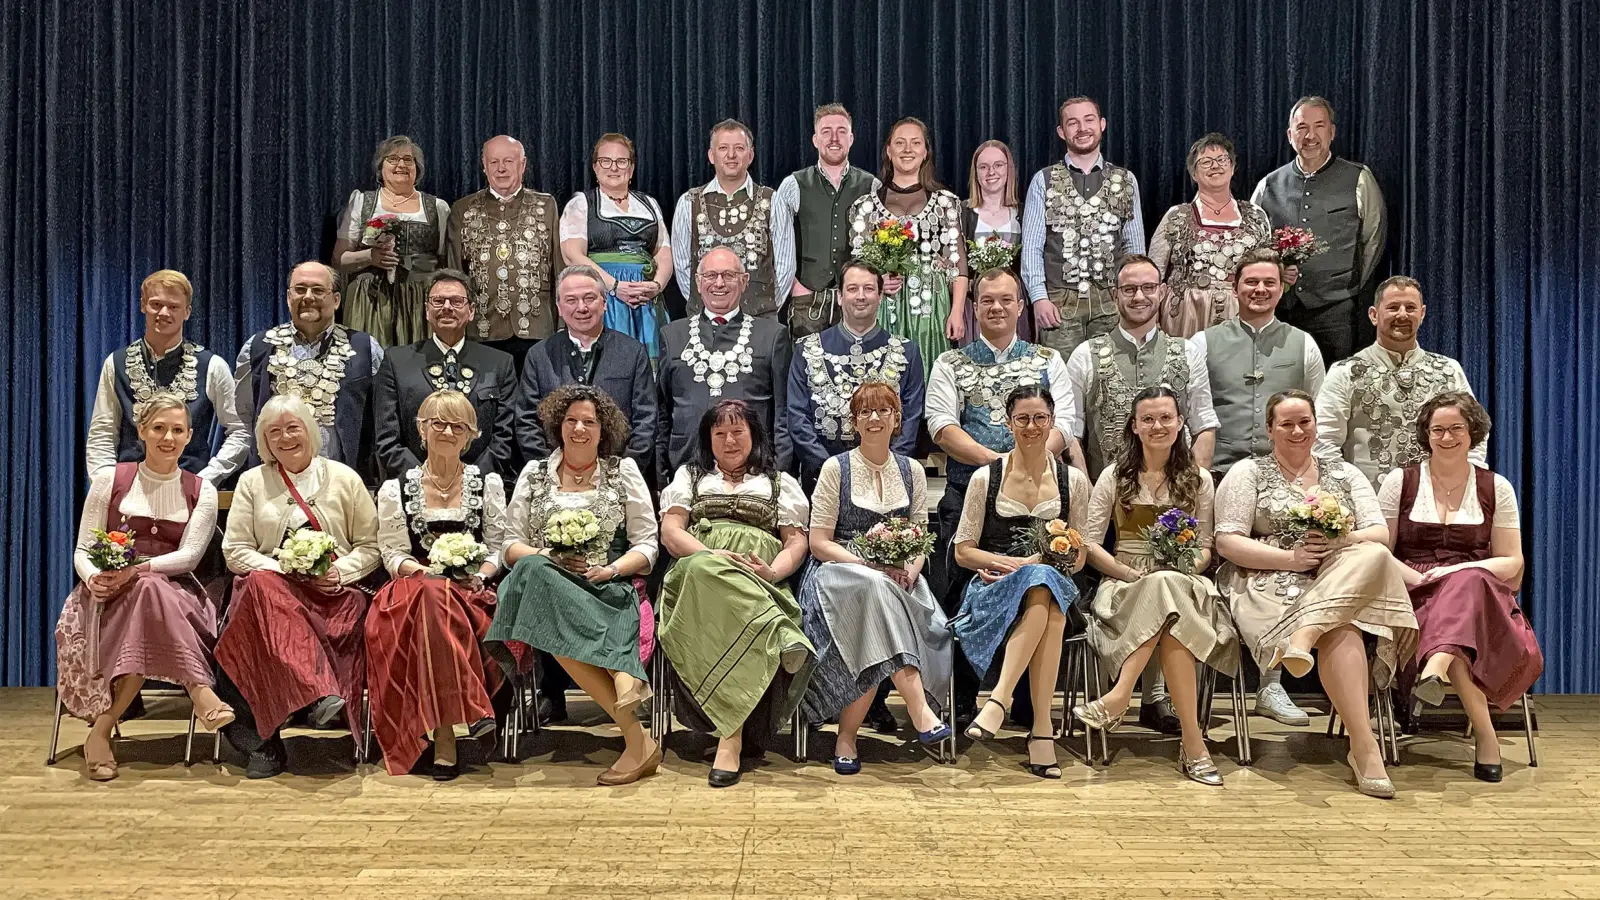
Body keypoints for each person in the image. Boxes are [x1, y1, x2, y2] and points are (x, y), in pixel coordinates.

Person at [1213, 390, 1417, 798]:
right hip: (1267, 576)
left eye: (1304, 421)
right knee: (1342, 626)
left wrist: (1339, 542)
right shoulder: (1247, 473)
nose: (1297, 430)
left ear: (1316, 425)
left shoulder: (1344, 474)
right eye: (1286, 423)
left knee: (1372, 555)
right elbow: (1227, 542)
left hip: (1337, 571)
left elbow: (1379, 533)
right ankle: (1365, 747)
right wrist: (1291, 558)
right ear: (1269, 429)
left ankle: (1362, 744)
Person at [485, 386, 661, 786]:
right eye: (571, 420)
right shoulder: (534, 474)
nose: (579, 428)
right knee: (532, 571)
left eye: (589, 422)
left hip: (604, 586)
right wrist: (547, 554)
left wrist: (612, 569)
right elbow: (510, 545)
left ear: (604, 430)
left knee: (545, 609)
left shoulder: (623, 472)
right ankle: (629, 701)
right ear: (557, 425)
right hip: (549, 586)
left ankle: (639, 737)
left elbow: (647, 545)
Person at [925, 268, 1076, 725]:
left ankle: (1028, 705)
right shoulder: (951, 363)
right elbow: (941, 426)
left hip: (1040, 500)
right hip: (968, 495)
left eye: (1006, 300)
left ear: (1020, 306)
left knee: (1038, 591)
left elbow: (1066, 423)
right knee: (960, 596)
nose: (996, 308)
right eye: (987, 300)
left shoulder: (1049, 358)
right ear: (974, 307)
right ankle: (966, 700)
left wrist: (1024, 463)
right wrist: (999, 467)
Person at [56, 395, 231, 781]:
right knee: (144, 601)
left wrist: (137, 570)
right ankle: (199, 688)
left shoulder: (200, 490)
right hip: (108, 597)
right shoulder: (110, 480)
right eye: (159, 428)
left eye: (178, 430)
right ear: (141, 432)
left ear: (189, 437)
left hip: (178, 595)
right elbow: (84, 549)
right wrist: (93, 579)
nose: (168, 437)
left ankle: (101, 733)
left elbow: (188, 558)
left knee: (149, 590)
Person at [1073, 387, 1238, 785]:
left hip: (1184, 582)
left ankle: (1120, 695)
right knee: (1169, 611)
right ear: (1134, 426)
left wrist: (1179, 566)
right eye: (1147, 419)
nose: (1157, 426)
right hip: (1125, 583)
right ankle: (1194, 746)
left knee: (1169, 589)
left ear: (1181, 423)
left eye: (1166, 417)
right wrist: (1130, 574)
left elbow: (1205, 548)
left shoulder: (1198, 480)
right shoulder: (1115, 476)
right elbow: (1091, 541)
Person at [216, 395, 382, 779]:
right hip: (270, 595)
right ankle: (274, 733)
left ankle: (312, 696)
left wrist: (339, 573)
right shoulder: (252, 482)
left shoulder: (345, 478)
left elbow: (372, 548)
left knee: (264, 600)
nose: (285, 437)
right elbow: (235, 550)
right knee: (259, 589)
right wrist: (282, 569)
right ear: (264, 441)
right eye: (274, 432)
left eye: (293, 427)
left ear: (310, 431)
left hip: (333, 595)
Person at [1380, 393, 1541, 783]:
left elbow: (1512, 562)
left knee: (1466, 583)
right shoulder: (1400, 480)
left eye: (1456, 428)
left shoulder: (1495, 486)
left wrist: (1462, 568)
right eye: (1438, 429)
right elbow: (1378, 552)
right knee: (1456, 641)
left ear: (1473, 434)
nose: (1447, 437)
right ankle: (1486, 737)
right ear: (1426, 434)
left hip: (1479, 595)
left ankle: (1435, 667)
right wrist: (1418, 577)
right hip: (1413, 591)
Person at [1195, 252, 1326, 727]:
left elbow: (1318, 416)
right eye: (1251, 282)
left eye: (1269, 283)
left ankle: (1272, 685)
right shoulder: (1204, 342)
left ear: (1281, 288)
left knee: (1282, 575)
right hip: (1220, 473)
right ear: (1235, 286)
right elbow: (1196, 409)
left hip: (1286, 477)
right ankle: (1189, 687)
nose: (1260, 290)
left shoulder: (1303, 344)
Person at [797, 383, 953, 774]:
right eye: (865, 412)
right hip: (838, 576)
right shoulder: (837, 469)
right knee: (875, 592)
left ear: (896, 419)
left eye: (883, 411)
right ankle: (918, 709)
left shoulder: (912, 470)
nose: (874, 418)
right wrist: (870, 566)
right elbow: (819, 543)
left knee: (879, 610)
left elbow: (921, 537)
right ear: (854, 422)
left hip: (898, 576)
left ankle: (846, 737)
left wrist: (911, 570)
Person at [658, 400, 814, 787]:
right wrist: (711, 555)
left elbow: (796, 542)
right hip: (696, 580)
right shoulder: (690, 478)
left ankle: (732, 738)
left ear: (754, 435)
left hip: (758, 580)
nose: (729, 441)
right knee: (703, 570)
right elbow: (672, 533)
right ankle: (781, 633)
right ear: (708, 439)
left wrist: (772, 570)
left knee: (737, 605)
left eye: (737, 432)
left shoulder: (779, 482)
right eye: (720, 433)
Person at [366, 390, 507, 780]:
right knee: (432, 593)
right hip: (412, 590)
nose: (446, 431)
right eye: (437, 423)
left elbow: (499, 548)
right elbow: (392, 553)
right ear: (421, 430)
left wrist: (481, 572)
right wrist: (425, 572)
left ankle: (448, 729)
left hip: (470, 591)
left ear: (470, 435)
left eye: (457, 426)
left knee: (440, 598)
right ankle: (460, 720)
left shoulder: (488, 484)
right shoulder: (396, 488)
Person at [952, 385, 1091, 779]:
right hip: (993, 587)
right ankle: (1041, 732)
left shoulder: (1073, 482)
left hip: (1055, 587)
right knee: (1047, 603)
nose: (1031, 426)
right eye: (1023, 419)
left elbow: (1080, 554)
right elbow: (964, 550)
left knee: (1045, 584)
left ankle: (998, 699)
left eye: (1040, 418)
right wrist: (1010, 564)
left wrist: (1045, 560)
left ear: (1052, 423)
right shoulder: (986, 478)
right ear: (1009, 423)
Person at [1252, 97, 1387, 363]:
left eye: (1319, 126)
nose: (1310, 136)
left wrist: (1346, 286)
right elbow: (1255, 249)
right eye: (1301, 128)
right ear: (1290, 135)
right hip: (1281, 313)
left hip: (1338, 316)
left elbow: (1373, 242)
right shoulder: (1268, 185)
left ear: (1332, 132)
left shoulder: (1359, 178)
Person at [1316, 276, 1484, 487]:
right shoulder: (1345, 372)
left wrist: (1466, 483)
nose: (1402, 315)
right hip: (1368, 506)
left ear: (1422, 314)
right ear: (1374, 315)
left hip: (1437, 504)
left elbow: (1475, 433)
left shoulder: (1448, 370)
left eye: (1410, 308)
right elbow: (1323, 442)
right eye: (1393, 307)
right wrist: (1347, 495)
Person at [86, 269, 249, 483]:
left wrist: (206, 480)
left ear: (187, 312)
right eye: (156, 304)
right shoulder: (115, 363)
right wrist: (106, 483)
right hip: (128, 490)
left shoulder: (213, 366)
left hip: (189, 489)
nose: (164, 313)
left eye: (173, 307)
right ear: (143, 305)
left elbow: (240, 432)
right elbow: (102, 433)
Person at [1067, 255, 1218, 480]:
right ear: (1114, 294)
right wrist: (1089, 496)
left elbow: (1204, 425)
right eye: (1129, 289)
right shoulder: (1085, 355)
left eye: (1148, 287)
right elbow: (1071, 434)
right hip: (1106, 502)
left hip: (1175, 503)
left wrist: (1191, 489)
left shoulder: (1187, 352)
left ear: (1162, 291)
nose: (1139, 297)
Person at [1021, 97, 1147, 358]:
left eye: (1089, 120)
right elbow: (1032, 246)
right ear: (1061, 131)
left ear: (1102, 125)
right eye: (1073, 122)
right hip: (1059, 301)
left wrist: (1135, 295)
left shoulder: (1125, 180)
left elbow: (1134, 249)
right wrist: (1039, 298)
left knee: (1111, 379)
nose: (1082, 128)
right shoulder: (1043, 180)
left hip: (1111, 301)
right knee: (1061, 384)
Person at [656, 247, 793, 481]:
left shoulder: (771, 336)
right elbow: (662, 413)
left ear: (744, 282)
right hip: (686, 469)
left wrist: (780, 474)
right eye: (710, 276)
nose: (719, 283)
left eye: (729, 275)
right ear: (698, 283)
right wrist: (660, 477)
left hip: (754, 473)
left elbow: (783, 414)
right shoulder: (672, 335)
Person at [235, 261, 383, 474]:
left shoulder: (366, 348)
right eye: (300, 289)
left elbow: (381, 420)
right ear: (288, 298)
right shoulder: (257, 347)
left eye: (318, 290)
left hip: (344, 483)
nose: (308, 297)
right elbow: (242, 418)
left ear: (336, 300)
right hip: (275, 482)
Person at [787, 260, 925, 488]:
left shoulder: (907, 352)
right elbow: (797, 417)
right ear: (840, 297)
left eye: (869, 289)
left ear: (880, 296)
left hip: (887, 480)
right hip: (822, 480)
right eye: (852, 289)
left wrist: (887, 467)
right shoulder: (807, 350)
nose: (861, 296)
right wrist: (830, 471)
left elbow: (910, 419)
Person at [847, 116, 968, 376]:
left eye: (915, 143)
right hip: (884, 308)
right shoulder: (866, 207)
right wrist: (878, 280)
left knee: (929, 376)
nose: (907, 149)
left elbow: (959, 267)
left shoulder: (945, 203)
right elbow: (857, 266)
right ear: (889, 151)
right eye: (900, 143)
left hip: (931, 310)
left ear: (925, 152)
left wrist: (957, 311)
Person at [373, 270, 517, 480]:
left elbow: (505, 436)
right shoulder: (396, 362)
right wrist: (422, 478)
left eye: (457, 301)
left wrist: (471, 479)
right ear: (427, 310)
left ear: (471, 311)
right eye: (438, 301)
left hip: (481, 486)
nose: (447, 307)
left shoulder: (500, 363)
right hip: (414, 486)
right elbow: (386, 438)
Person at [516, 265, 657, 466]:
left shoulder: (633, 352)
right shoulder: (539, 355)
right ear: (559, 307)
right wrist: (550, 469)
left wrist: (622, 471)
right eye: (571, 300)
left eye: (589, 298)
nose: (581, 308)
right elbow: (527, 421)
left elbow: (646, 420)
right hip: (554, 478)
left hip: (619, 475)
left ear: (604, 303)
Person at [447, 135, 562, 372]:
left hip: (536, 329)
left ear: (522, 165)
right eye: (494, 162)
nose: (501, 169)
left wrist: (563, 326)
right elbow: (454, 273)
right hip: (481, 330)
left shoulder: (546, 205)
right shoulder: (462, 209)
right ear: (484, 166)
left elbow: (559, 268)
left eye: (508, 161)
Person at [559, 133, 674, 363]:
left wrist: (656, 286)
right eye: (606, 161)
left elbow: (664, 252)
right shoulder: (582, 204)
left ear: (631, 169)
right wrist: (614, 287)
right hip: (603, 301)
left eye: (621, 161)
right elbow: (572, 254)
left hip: (645, 302)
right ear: (595, 167)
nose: (614, 167)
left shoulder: (649, 204)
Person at [333, 135, 452, 347]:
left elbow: (445, 263)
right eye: (393, 159)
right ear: (381, 167)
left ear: (418, 168)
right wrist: (370, 256)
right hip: (370, 300)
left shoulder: (438, 208)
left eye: (408, 160)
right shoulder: (362, 202)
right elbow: (339, 260)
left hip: (419, 301)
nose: (401, 165)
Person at [1149, 133, 1273, 338]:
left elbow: (1268, 269)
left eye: (1222, 159)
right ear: (1193, 173)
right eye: (1206, 162)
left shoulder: (1256, 215)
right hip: (1186, 316)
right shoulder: (1177, 216)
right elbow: (1153, 273)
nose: (1215, 166)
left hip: (1242, 315)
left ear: (1232, 168)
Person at [775, 103, 880, 338]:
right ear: (815, 139)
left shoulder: (871, 185)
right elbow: (777, 243)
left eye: (841, 131)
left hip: (856, 300)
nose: (834, 138)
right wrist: (795, 288)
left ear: (851, 138)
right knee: (807, 371)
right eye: (826, 132)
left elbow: (878, 245)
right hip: (807, 300)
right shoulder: (792, 185)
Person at [672, 119, 795, 319]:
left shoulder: (773, 200)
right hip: (703, 322)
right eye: (723, 148)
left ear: (750, 155)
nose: (731, 155)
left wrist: (765, 308)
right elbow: (683, 268)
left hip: (760, 321)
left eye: (739, 148)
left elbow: (785, 267)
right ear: (711, 156)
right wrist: (711, 309)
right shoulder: (688, 202)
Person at [960, 139, 1032, 344]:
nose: (991, 172)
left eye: (998, 165)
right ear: (976, 173)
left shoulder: (1023, 213)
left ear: (1009, 169)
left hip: (1013, 308)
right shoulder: (962, 212)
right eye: (983, 167)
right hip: (975, 307)